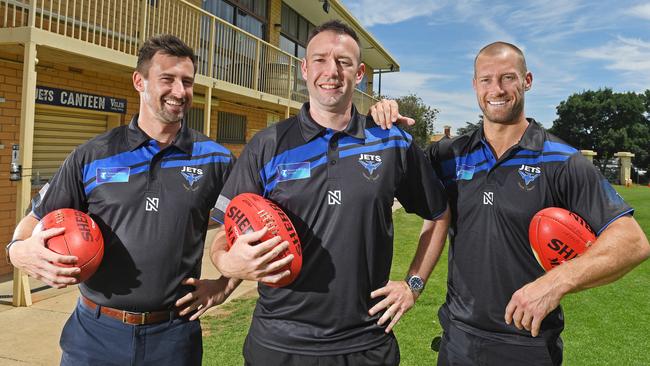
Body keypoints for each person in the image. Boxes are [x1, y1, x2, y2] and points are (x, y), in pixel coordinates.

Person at [5, 34, 288, 366]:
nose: (180, 91)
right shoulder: (93, 155)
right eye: (167, 79)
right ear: (139, 81)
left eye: (187, 81)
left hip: (173, 336)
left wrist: (225, 285)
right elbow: (33, 221)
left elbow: (255, 223)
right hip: (95, 334)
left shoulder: (215, 159)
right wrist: (20, 251)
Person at [369, 41, 650, 365]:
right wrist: (383, 123)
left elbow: (632, 241)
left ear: (526, 80)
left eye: (508, 78)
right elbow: (413, 203)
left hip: (528, 348)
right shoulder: (450, 155)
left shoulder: (560, 160)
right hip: (458, 345)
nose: (496, 89)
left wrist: (557, 281)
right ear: (475, 86)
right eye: (486, 80)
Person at [209, 20, 450, 366]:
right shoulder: (267, 144)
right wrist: (227, 261)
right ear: (304, 69)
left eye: (344, 62)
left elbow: (439, 213)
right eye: (320, 60)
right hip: (279, 344)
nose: (331, 71)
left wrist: (413, 284)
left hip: (366, 342)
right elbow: (222, 235)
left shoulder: (391, 141)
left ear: (361, 72)